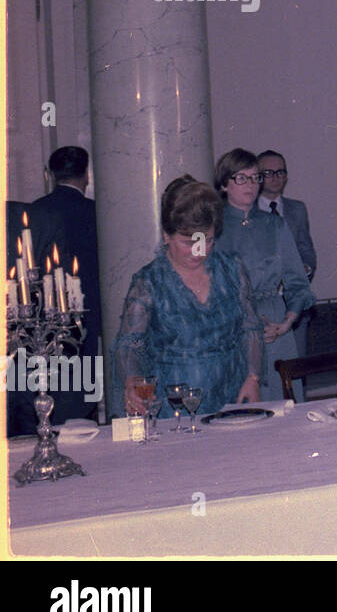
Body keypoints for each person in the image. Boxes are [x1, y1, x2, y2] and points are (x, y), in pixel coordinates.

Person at [112, 176, 262, 416]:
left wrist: (253, 377)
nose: (198, 250)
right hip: (174, 405)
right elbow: (130, 344)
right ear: (167, 236)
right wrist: (133, 380)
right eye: (188, 242)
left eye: (207, 240)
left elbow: (250, 328)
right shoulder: (149, 281)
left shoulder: (232, 269)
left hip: (231, 396)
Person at [8, 147, 103, 434]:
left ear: (49, 175)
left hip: (34, 330)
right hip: (84, 321)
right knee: (83, 403)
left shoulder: (33, 214)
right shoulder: (99, 212)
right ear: (86, 174)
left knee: (36, 402)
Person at [212, 149, 314, 399]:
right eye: (241, 178)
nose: (251, 185)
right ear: (224, 183)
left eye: (255, 177)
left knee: (284, 405)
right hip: (231, 328)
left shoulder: (276, 224)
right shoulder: (212, 226)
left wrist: (287, 322)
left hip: (276, 329)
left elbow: (298, 283)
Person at [256, 150, 316, 281]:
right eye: (268, 173)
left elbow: (306, 249)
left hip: (292, 291)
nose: (275, 178)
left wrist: (306, 268)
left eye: (280, 172)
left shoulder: (298, 209)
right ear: (257, 177)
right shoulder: (248, 210)